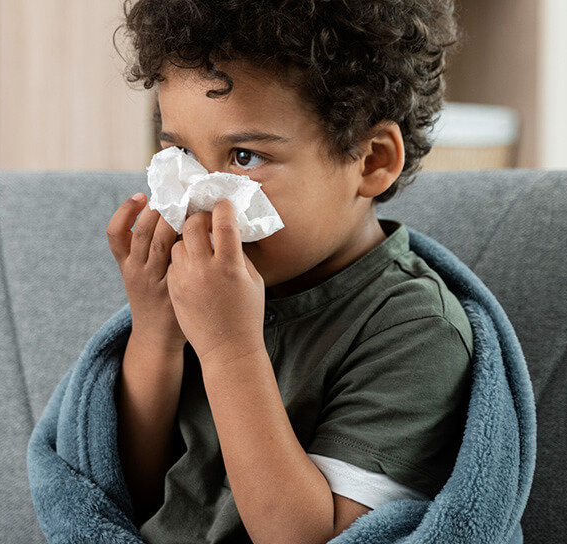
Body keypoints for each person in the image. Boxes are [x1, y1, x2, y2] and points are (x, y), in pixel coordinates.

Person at [108, 1, 470, 543]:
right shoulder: (202, 286)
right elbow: (128, 493)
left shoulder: (412, 330)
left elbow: (309, 537)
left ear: (371, 160)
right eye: (182, 151)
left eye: (245, 157)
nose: (201, 201)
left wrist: (230, 350)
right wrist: (156, 330)